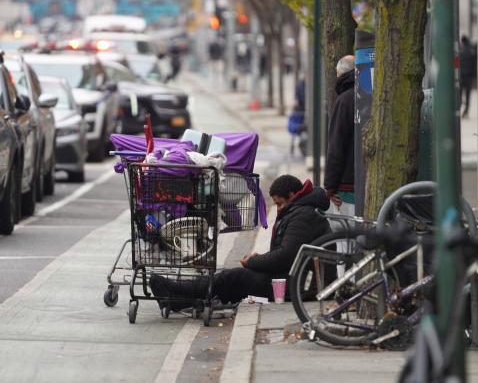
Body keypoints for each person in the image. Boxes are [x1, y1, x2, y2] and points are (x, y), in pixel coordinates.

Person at [149, 175, 330, 307]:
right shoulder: (300, 211)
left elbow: (286, 256)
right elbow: (288, 252)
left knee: (235, 277)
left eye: (280, 203)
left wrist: (253, 261)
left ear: (292, 195)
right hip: (295, 277)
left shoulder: (303, 215)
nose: (279, 209)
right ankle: (178, 299)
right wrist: (259, 261)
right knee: (233, 279)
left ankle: (178, 291)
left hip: (302, 285)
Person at [324, 55, 355, 216]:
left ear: (341, 74)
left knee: (346, 235)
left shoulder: (344, 100)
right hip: (364, 181)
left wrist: (330, 186)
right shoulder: (370, 95)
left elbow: (337, 145)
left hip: (347, 186)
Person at [459, 35, 477, 117]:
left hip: (462, 76)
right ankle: (466, 110)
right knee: (468, 94)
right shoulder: (471, 52)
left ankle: (459, 108)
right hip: (469, 77)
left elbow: (456, 64)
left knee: (460, 93)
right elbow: (474, 65)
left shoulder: (460, 52)